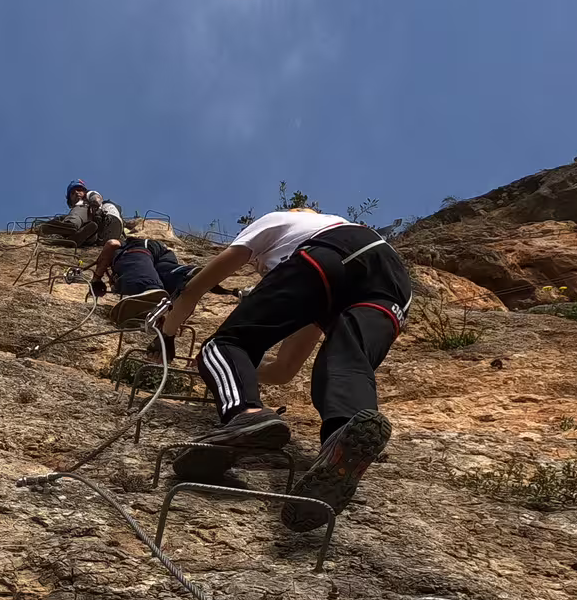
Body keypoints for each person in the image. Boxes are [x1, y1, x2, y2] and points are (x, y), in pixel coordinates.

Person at [151, 206, 412, 529]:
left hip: (333, 252)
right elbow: (285, 369)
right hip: (395, 284)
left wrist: (171, 333)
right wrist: (241, 371)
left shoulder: (282, 219)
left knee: (222, 346)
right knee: (342, 363)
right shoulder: (330, 241)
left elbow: (196, 287)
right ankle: (342, 438)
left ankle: (243, 415)